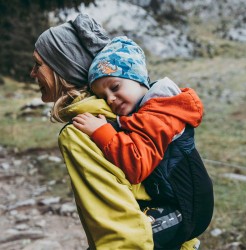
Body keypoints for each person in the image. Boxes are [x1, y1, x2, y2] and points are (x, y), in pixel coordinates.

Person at [30, 13, 209, 250]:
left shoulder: (82, 130)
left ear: (62, 67)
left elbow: (120, 231)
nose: (32, 73)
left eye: (38, 64)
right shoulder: (126, 114)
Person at [72, 36, 214, 249]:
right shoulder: (147, 111)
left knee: (132, 239)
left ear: (139, 79)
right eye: (103, 96)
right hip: (172, 203)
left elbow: (137, 163)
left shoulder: (158, 114)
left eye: (115, 86)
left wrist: (102, 132)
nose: (110, 99)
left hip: (186, 210)